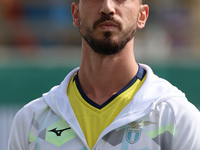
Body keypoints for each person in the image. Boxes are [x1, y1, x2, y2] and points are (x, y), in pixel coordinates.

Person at [8, 0, 200, 149]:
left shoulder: (178, 118)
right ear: (75, 14)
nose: (107, 7)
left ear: (142, 16)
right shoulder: (31, 121)